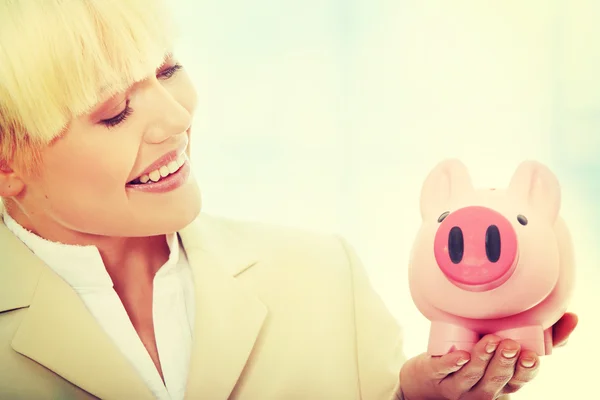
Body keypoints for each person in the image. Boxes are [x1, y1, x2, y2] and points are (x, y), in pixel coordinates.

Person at [0, 1, 577, 399]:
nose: (177, 119)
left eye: (168, 69)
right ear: (9, 160)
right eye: (114, 112)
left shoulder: (325, 275)